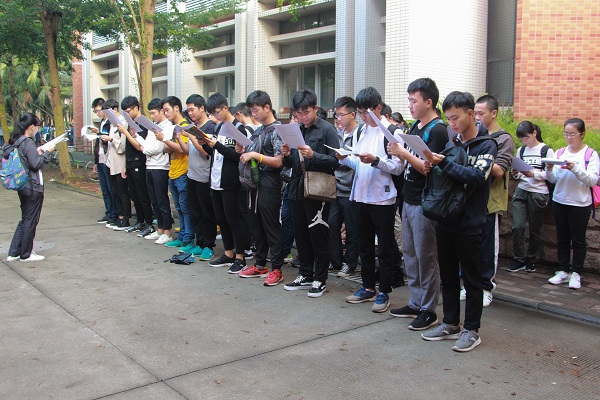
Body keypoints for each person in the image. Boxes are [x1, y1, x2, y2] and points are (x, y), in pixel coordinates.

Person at [421, 91, 497, 352]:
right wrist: (432, 166)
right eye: (449, 119)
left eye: (455, 118)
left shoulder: (486, 145)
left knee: (473, 280)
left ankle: (472, 330)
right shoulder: (452, 144)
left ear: (470, 114)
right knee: (448, 275)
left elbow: (477, 177)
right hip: (445, 218)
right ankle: (450, 322)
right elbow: (445, 175)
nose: (452, 123)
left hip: (471, 222)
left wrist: (443, 164)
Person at [387, 77, 448, 330]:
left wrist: (403, 153)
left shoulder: (438, 130)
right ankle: (415, 301)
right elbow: (409, 163)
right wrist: (397, 153)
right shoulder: (414, 127)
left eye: (414, 100)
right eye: (409, 100)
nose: (410, 105)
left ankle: (428, 309)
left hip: (425, 202)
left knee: (426, 256)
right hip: (409, 198)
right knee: (410, 254)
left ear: (429, 102)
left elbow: (427, 167)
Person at [341, 87, 403, 312]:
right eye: (360, 113)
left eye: (366, 112)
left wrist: (376, 160)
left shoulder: (393, 132)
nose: (363, 117)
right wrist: (344, 158)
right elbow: (358, 162)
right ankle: (368, 287)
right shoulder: (361, 131)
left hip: (382, 198)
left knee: (384, 248)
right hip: (360, 195)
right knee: (364, 245)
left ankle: (384, 290)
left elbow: (398, 167)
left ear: (378, 108)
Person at [281, 89, 339, 297]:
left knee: (318, 234)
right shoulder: (297, 130)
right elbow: (293, 163)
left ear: (315, 108)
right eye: (298, 113)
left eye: (306, 112)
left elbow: (336, 161)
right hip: (297, 188)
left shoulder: (327, 130)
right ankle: (305, 274)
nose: (303, 117)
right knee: (301, 234)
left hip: (318, 188)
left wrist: (314, 155)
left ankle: (320, 278)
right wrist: (286, 155)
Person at [236, 90, 286, 286]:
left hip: (270, 183)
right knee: (256, 226)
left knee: (271, 226)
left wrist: (255, 155)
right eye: (252, 111)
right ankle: (260, 264)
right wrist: (242, 150)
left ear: (267, 107)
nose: (254, 114)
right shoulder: (258, 131)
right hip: (254, 184)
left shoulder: (278, 130)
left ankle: (277, 268)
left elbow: (279, 161)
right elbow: (251, 153)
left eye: (256, 110)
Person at [546, 118, 599, 290]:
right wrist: (548, 169)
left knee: (578, 240)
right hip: (560, 200)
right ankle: (562, 270)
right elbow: (553, 179)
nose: (569, 137)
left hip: (580, 203)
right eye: (566, 134)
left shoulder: (590, 154)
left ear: (582, 134)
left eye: (572, 134)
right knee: (562, 238)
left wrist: (575, 168)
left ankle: (576, 272)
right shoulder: (560, 152)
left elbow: (592, 180)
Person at [474, 94, 514, 307]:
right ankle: (471, 285)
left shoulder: (503, 138)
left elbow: (499, 170)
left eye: (481, 113)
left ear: (494, 113)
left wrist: (478, 162)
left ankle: (486, 287)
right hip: (472, 199)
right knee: (470, 245)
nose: (477, 117)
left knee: (488, 246)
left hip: (490, 201)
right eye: (475, 113)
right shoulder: (473, 134)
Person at [203, 92, 248, 273]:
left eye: (216, 112)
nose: (215, 116)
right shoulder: (218, 127)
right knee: (221, 219)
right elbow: (215, 153)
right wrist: (204, 143)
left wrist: (217, 145)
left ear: (225, 108)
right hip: (215, 180)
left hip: (231, 181)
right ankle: (228, 253)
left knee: (233, 219)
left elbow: (238, 157)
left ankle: (240, 257)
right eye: (212, 113)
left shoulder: (238, 128)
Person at [5, 113, 55, 262]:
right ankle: (26, 254)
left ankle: (14, 252)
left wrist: (38, 152)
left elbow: (28, 159)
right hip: (32, 186)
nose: (38, 129)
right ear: (32, 127)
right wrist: (47, 152)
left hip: (22, 185)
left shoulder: (17, 141)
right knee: (31, 220)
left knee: (25, 219)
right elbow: (36, 164)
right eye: (37, 126)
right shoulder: (28, 142)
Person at [509, 121, 554, 272]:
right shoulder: (521, 150)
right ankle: (518, 258)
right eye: (521, 139)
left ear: (534, 133)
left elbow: (551, 175)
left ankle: (530, 259)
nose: (524, 141)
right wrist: (516, 173)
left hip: (538, 192)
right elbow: (517, 173)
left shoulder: (546, 150)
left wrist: (533, 174)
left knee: (535, 229)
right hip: (522, 189)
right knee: (518, 226)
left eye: (526, 137)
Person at [180, 94, 217, 260]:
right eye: (188, 110)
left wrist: (192, 136)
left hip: (204, 176)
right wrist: (180, 138)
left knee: (207, 213)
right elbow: (189, 151)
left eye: (192, 109)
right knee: (196, 212)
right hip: (192, 175)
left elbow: (205, 152)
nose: (190, 113)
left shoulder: (210, 127)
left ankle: (208, 245)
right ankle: (199, 243)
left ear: (202, 108)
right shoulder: (194, 127)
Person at [134, 98, 175, 245]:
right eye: (150, 114)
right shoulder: (153, 127)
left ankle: (167, 232)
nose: (152, 116)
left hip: (161, 167)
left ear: (161, 111)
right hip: (150, 166)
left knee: (162, 200)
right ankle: (160, 230)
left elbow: (158, 148)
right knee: (154, 201)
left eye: (153, 113)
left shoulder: (168, 126)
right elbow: (148, 144)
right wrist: (137, 137)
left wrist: (144, 150)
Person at [330, 96, 360, 278]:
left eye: (341, 115)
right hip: (336, 187)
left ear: (353, 114)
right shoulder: (338, 135)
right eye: (337, 115)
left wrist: (344, 159)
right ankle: (335, 261)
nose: (338, 119)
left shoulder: (360, 134)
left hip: (352, 189)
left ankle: (350, 263)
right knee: (332, 224)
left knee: (351, 229)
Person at [160, 96, 194, 251]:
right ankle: (182, 236)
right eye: (164, 110)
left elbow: (183, 149)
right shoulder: (172, 127)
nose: (165, 113)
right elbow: (167, 149)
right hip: (173, 171)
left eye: (167, 110)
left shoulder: (185, 126)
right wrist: (166, 141)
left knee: (186, 208)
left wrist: (165, 140)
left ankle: (188, 239)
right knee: (179, 208)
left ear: (176, 108)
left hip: (183, 172)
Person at [119, 96, 154, 236]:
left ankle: (149, 223)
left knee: (142, 195)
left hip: (140, 162)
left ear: (136, 108)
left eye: (128, 111)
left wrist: (126, 133)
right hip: (130, 163)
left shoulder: (144, 123)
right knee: (134, 195)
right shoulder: (131, 123)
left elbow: (140, 146)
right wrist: (125, 165)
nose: (127, 114)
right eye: (125, 112)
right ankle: (140, 221)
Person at [101, 99, 131, 231]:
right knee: (114, 191)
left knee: (122, 192)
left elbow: (123, 146)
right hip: (110, 162)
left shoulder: (123, 123)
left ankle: (125, 218)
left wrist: (111, 139)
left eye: (108, 112)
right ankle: (119, 216)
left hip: (120, 163)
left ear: (115, 110)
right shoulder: (112, 124)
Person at [89, 97, 117, 225]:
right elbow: (98, 144)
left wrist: (98, 133)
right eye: (96, 111)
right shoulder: (101, 122)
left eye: (99, 110)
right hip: (100, 158)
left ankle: (114, 214)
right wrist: (95, 161)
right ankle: (108, 212)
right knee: (104, 189)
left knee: (111, 189)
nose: (98, 113)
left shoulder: (110, 123)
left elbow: (108, 140)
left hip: (108, 158)